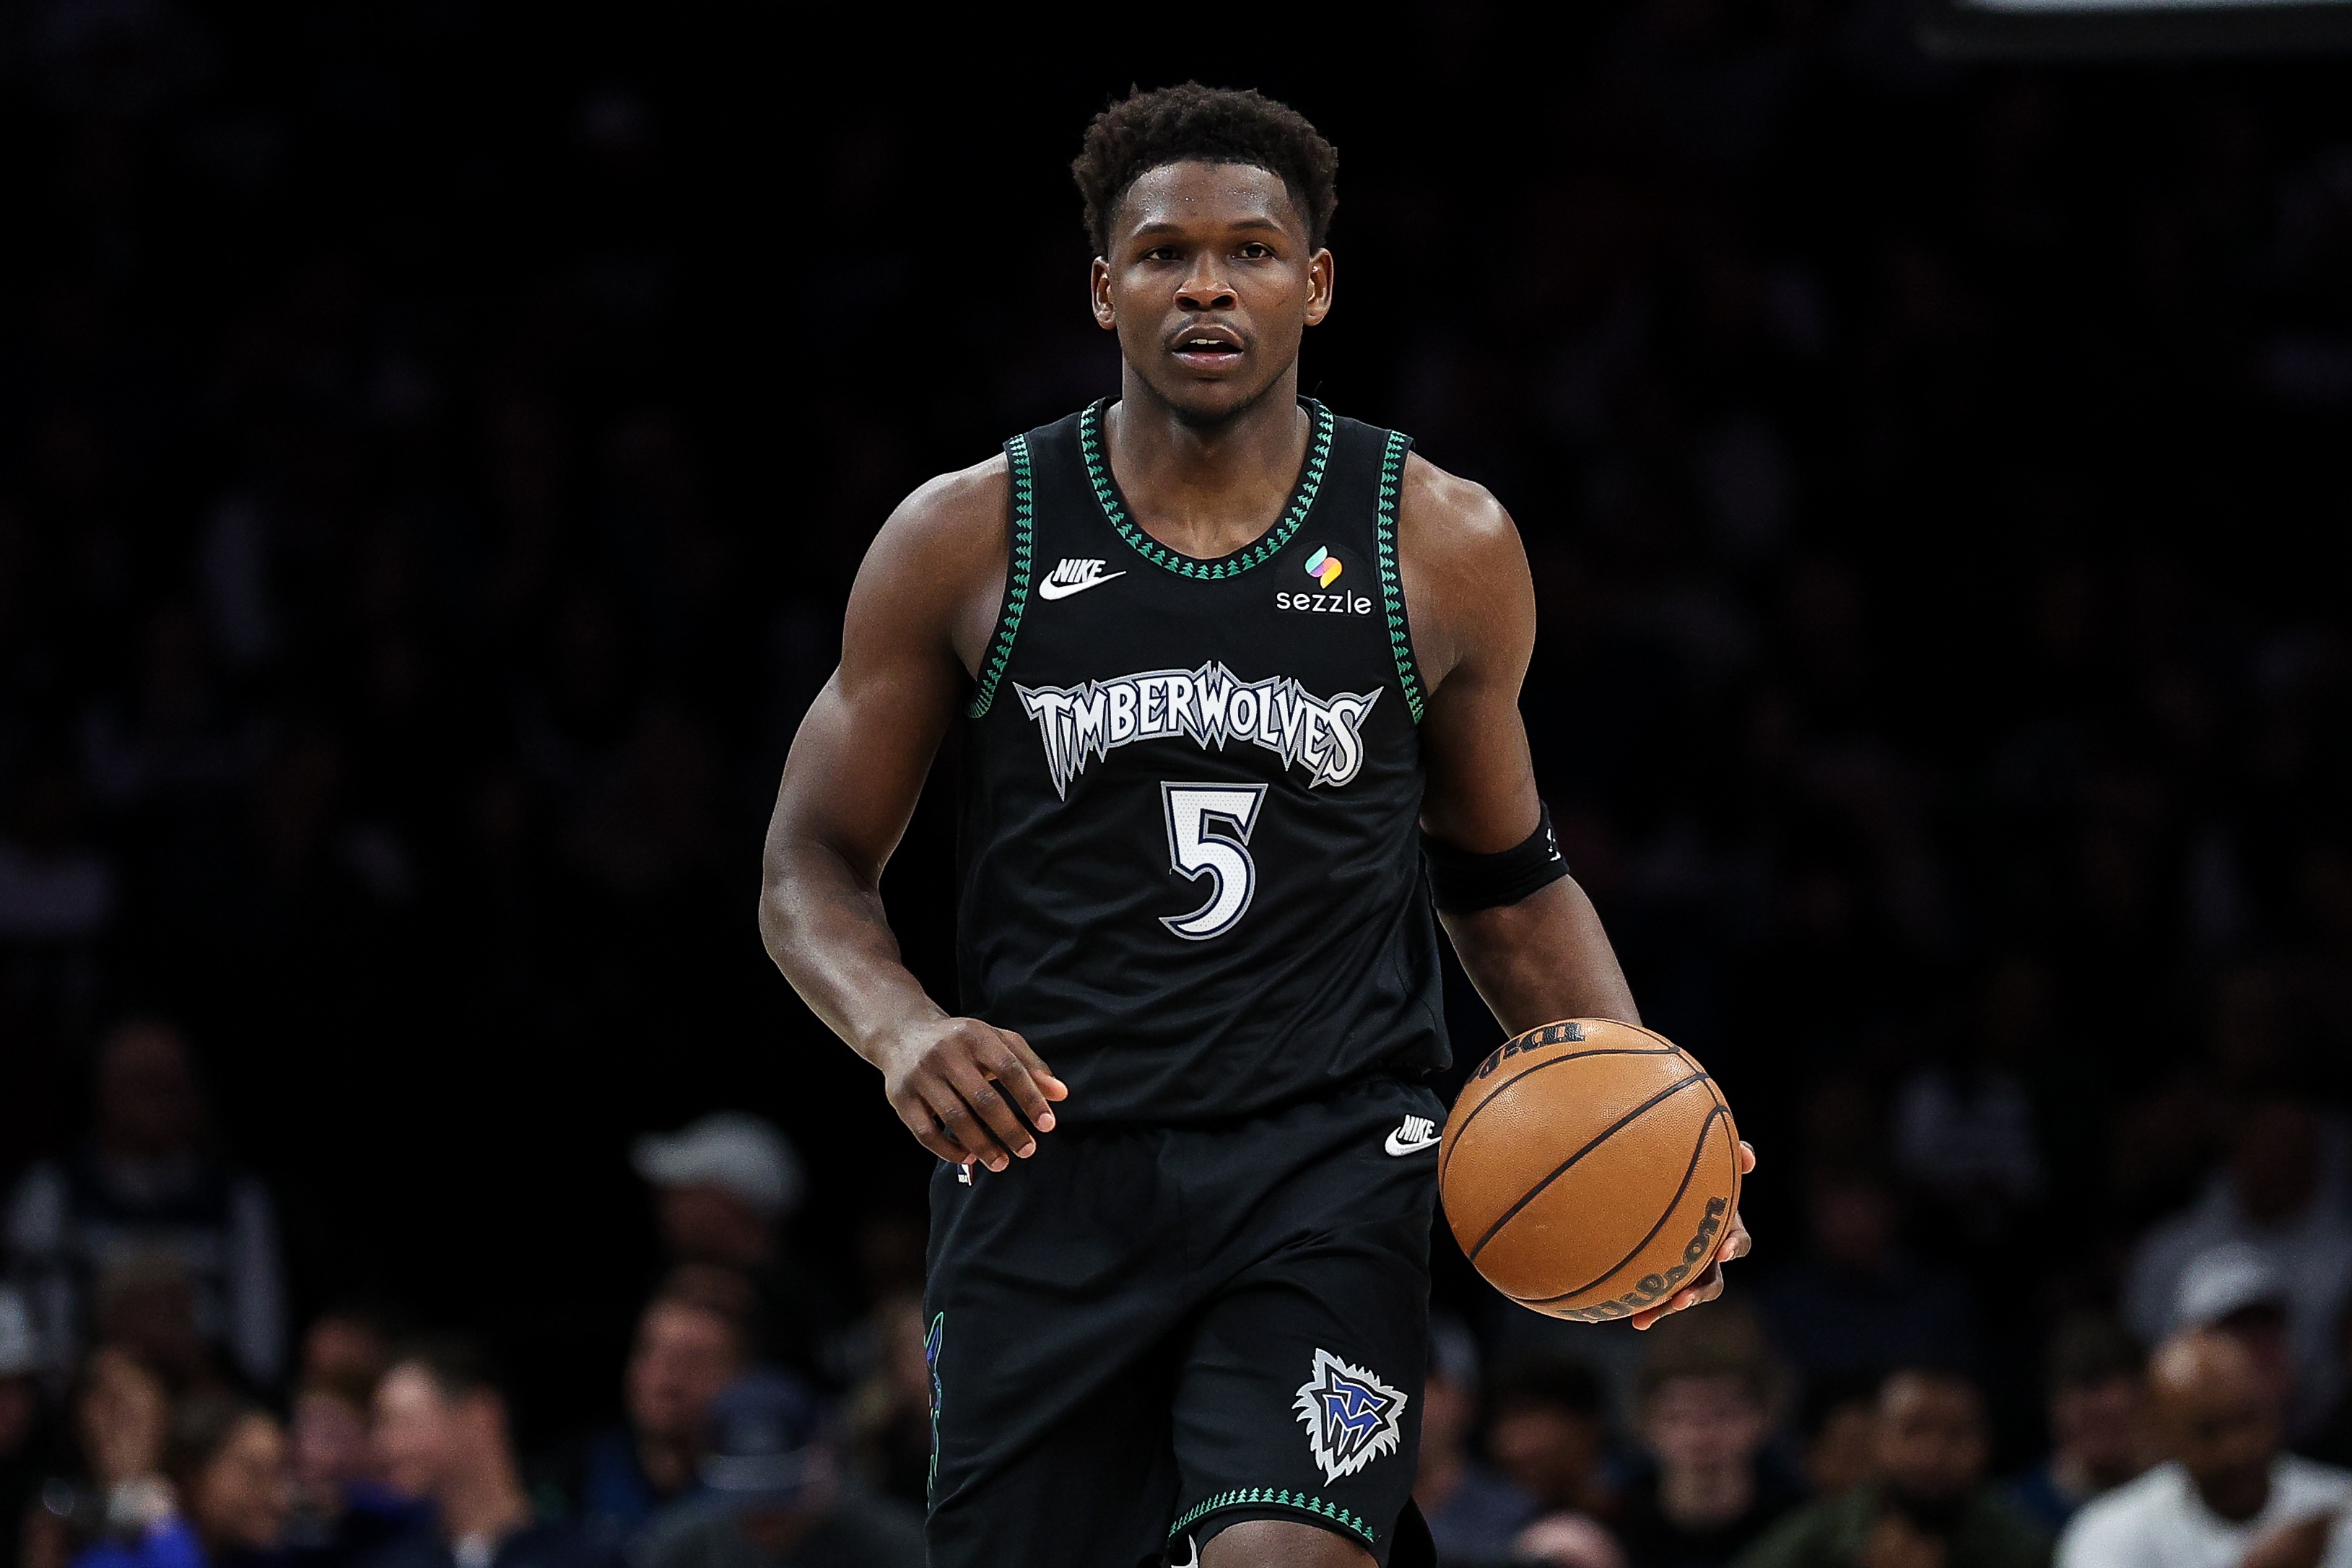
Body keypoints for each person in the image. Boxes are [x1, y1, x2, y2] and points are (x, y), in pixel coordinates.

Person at [756, 81, 1754, 1568]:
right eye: (1164, 253)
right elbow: (809, 862)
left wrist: (1645, 1114)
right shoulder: (967, 533)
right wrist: (902, 1030)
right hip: (1049, 1168)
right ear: (1104, 289)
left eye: (1252, 251)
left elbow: (1504, 879)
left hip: (1326, 1162)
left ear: (1317, 283)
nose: (1208, 284)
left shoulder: (1439, 539)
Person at [5, 1021, 285, 1390]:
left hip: (210, 1396)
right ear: (102, 1092)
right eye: (141, 1084)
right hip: (89, 1394)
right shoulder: (53, 1191)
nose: (157, 1100)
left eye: (170, 1085)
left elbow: (261, 1349)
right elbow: (38, 1339)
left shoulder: (237, 1199)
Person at [2122, 1092, 2352, 1439]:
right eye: (2234, 1334)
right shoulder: (2170, 1246)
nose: (2253, 1352)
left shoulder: (2342, 1249)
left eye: (2265, 1329)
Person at [2056, 1330, 2352, 1568]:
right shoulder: (2108, 1533)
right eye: (2209, 1431)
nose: (2236, 1449)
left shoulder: (2340, 1506)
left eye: (2248, 1420)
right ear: (2161, 1433)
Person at [1735, 1368, 2050, 1568]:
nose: (1932, 1454)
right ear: (1876, 1437)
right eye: (1913, 1431)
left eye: (1956, 1434)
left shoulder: (2023, 1547)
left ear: (1987, 1443)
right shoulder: (1814, 1541)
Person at [626, 1372, 921, 1568]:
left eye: (782, 1496)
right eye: (747, 1497)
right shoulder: (675, 1549)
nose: (765, 1512)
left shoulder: (892, 1545)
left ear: (824, 1463)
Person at [363, 1338, 609, 1568]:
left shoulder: (584, 1555)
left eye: (403, 1422)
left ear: (480, 1416)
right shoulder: (390, 1560)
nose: (383, 1445)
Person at [628, 1118, 828, 1382]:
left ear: (729, 1202)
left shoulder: (798, 1312)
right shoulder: (675, 1280)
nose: (666, 1206)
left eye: (685, 1191)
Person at [1617, 1304, 1804, 1568]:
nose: (1701, 1436)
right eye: (1679, 1416)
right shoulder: (1613, 1523)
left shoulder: (1802, 1524)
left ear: (1764, 1416)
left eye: (1723, 1415)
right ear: (1645, 1422)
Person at [572, 1275, 751, 1549]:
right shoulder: (572, 1479)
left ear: (740, 1378)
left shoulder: (757, 1502)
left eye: (695, 1360)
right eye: (653, 1352)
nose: (668, 1377)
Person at [71, 1393, 292, 1568]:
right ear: (192, 1472)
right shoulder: (129, 1551)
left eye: (280, 1473)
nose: (278, 1498)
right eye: (252, 1472)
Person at [2007, 1315, 2153, 1533]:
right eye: (2090, 1421)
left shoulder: (2184, 1497)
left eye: (2114, 1420)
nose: (2104, 1439)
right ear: (2055, 1410)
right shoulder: (2019, 1513)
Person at [1413, 1322, 1537, 1565]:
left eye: (1425, 1378)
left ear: (1467, 1400)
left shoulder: (1514, 1515)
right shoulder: (1352, 1501)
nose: (1405, 1397)